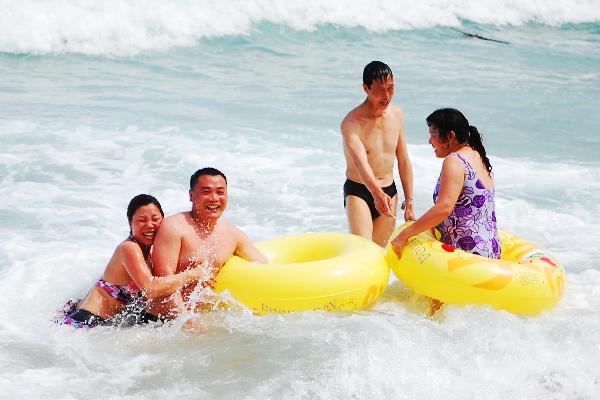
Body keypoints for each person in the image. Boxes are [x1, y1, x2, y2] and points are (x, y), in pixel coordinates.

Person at [56, 194, 205, 328]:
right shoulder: (129, 249)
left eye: (155, 219)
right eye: (142, 220)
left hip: (103, 321)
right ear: (130, 223)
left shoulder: (149, 253)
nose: (150, 225)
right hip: (86, 321)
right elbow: (151, 289)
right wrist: (192, 274)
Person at [149, 167, 267, 320]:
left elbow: (263, 266)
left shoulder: (233, 235)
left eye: (220, 192)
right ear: (191, 195)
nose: (214, 198)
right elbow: (163, 284)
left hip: (202, 318)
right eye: (206, 192)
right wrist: (186, 322)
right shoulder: (174, 227)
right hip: (159, 322)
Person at [391, 108, 501, 259]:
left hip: (466, 256)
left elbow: (444, 208)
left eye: (432, 135)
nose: (429, 141)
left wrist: (404, 235)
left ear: (450, 136)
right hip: (489, 252)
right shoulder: (476, 155)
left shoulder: (455, 161)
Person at [341, 60, 414, 247]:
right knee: (363, 250)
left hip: (389, 191)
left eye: (391, 88)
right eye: (380, 89)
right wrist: (377, 194)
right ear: (365, 88)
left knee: (380, 251)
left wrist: (409, 201)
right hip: (360, 191)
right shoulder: (351, 123)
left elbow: (403, 159)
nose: (387, 95)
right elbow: (361, 164)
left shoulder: (396, 115)